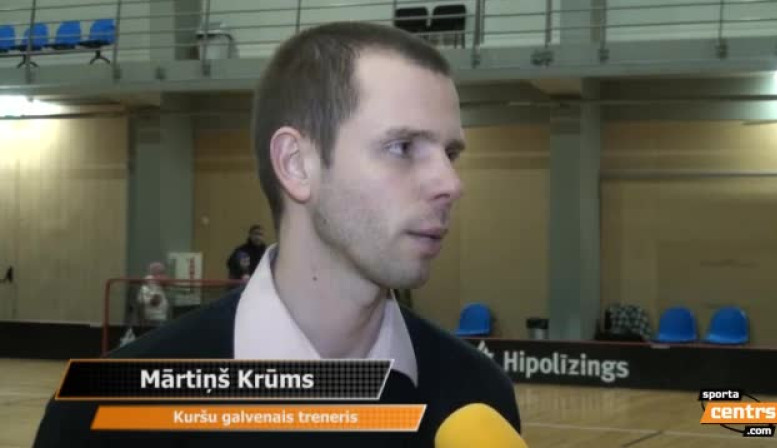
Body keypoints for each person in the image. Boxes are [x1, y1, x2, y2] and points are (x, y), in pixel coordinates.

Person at [34, 22, 520, 447]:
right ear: (296, 164)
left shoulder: (477, 395)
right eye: (403, 146)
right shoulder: (105, 412)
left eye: (450, 154)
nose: (450, 184)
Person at [136, 262, 170, 326]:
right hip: (153, 318)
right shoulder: (147, 285)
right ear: (155, 274)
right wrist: (153, 300)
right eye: (162, 273)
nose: (164, 276)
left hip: (161, 316)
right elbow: (141, 300)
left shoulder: (158, 285)